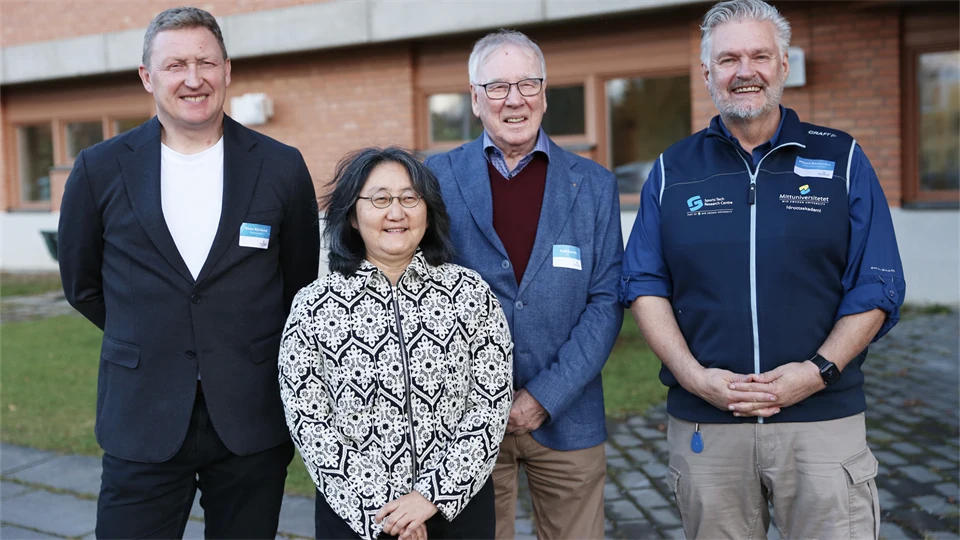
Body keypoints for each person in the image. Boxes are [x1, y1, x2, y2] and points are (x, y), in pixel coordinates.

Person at [621, 1, 906, 538]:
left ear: (782, 66)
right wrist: (692, 378)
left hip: (822, 423)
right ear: (707, 73)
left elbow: (877, 284)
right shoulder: (672, 170)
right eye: (728, 59)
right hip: (707, 424)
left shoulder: (841, 159)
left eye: (759, 56)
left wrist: (817, 372)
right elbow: (643, 283)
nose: (744, 71)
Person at [57, 6, 320, 538]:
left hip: (249, 414)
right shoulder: (100, 167)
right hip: (143, 413)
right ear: (147, 77)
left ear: (228, 70)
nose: (193, 79)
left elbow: (298, 283)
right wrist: (151, 332)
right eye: (175, 65)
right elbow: (82, 285)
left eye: (206, 62)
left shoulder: (281, 165)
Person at [425, 30, 624, 540]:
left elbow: (605, 303)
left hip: (569, 414)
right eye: (497, 87)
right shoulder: (435, 178)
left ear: (544, 92)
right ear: (474, 98)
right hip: (462, 420)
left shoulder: (594, 185)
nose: (515, 99)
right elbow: (419, 288)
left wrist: (544, 394)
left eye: (528, 84)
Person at [279, 147, 513, 540]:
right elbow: (309, 421)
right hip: (357, 516)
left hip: (456, 511)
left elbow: (490, 404)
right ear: (352, 215)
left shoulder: (470, 294)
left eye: (409, 198)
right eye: (380, 199)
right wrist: (387, 512)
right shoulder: (313, 306)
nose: (396, 213)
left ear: (428, 210)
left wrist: (431, 497)